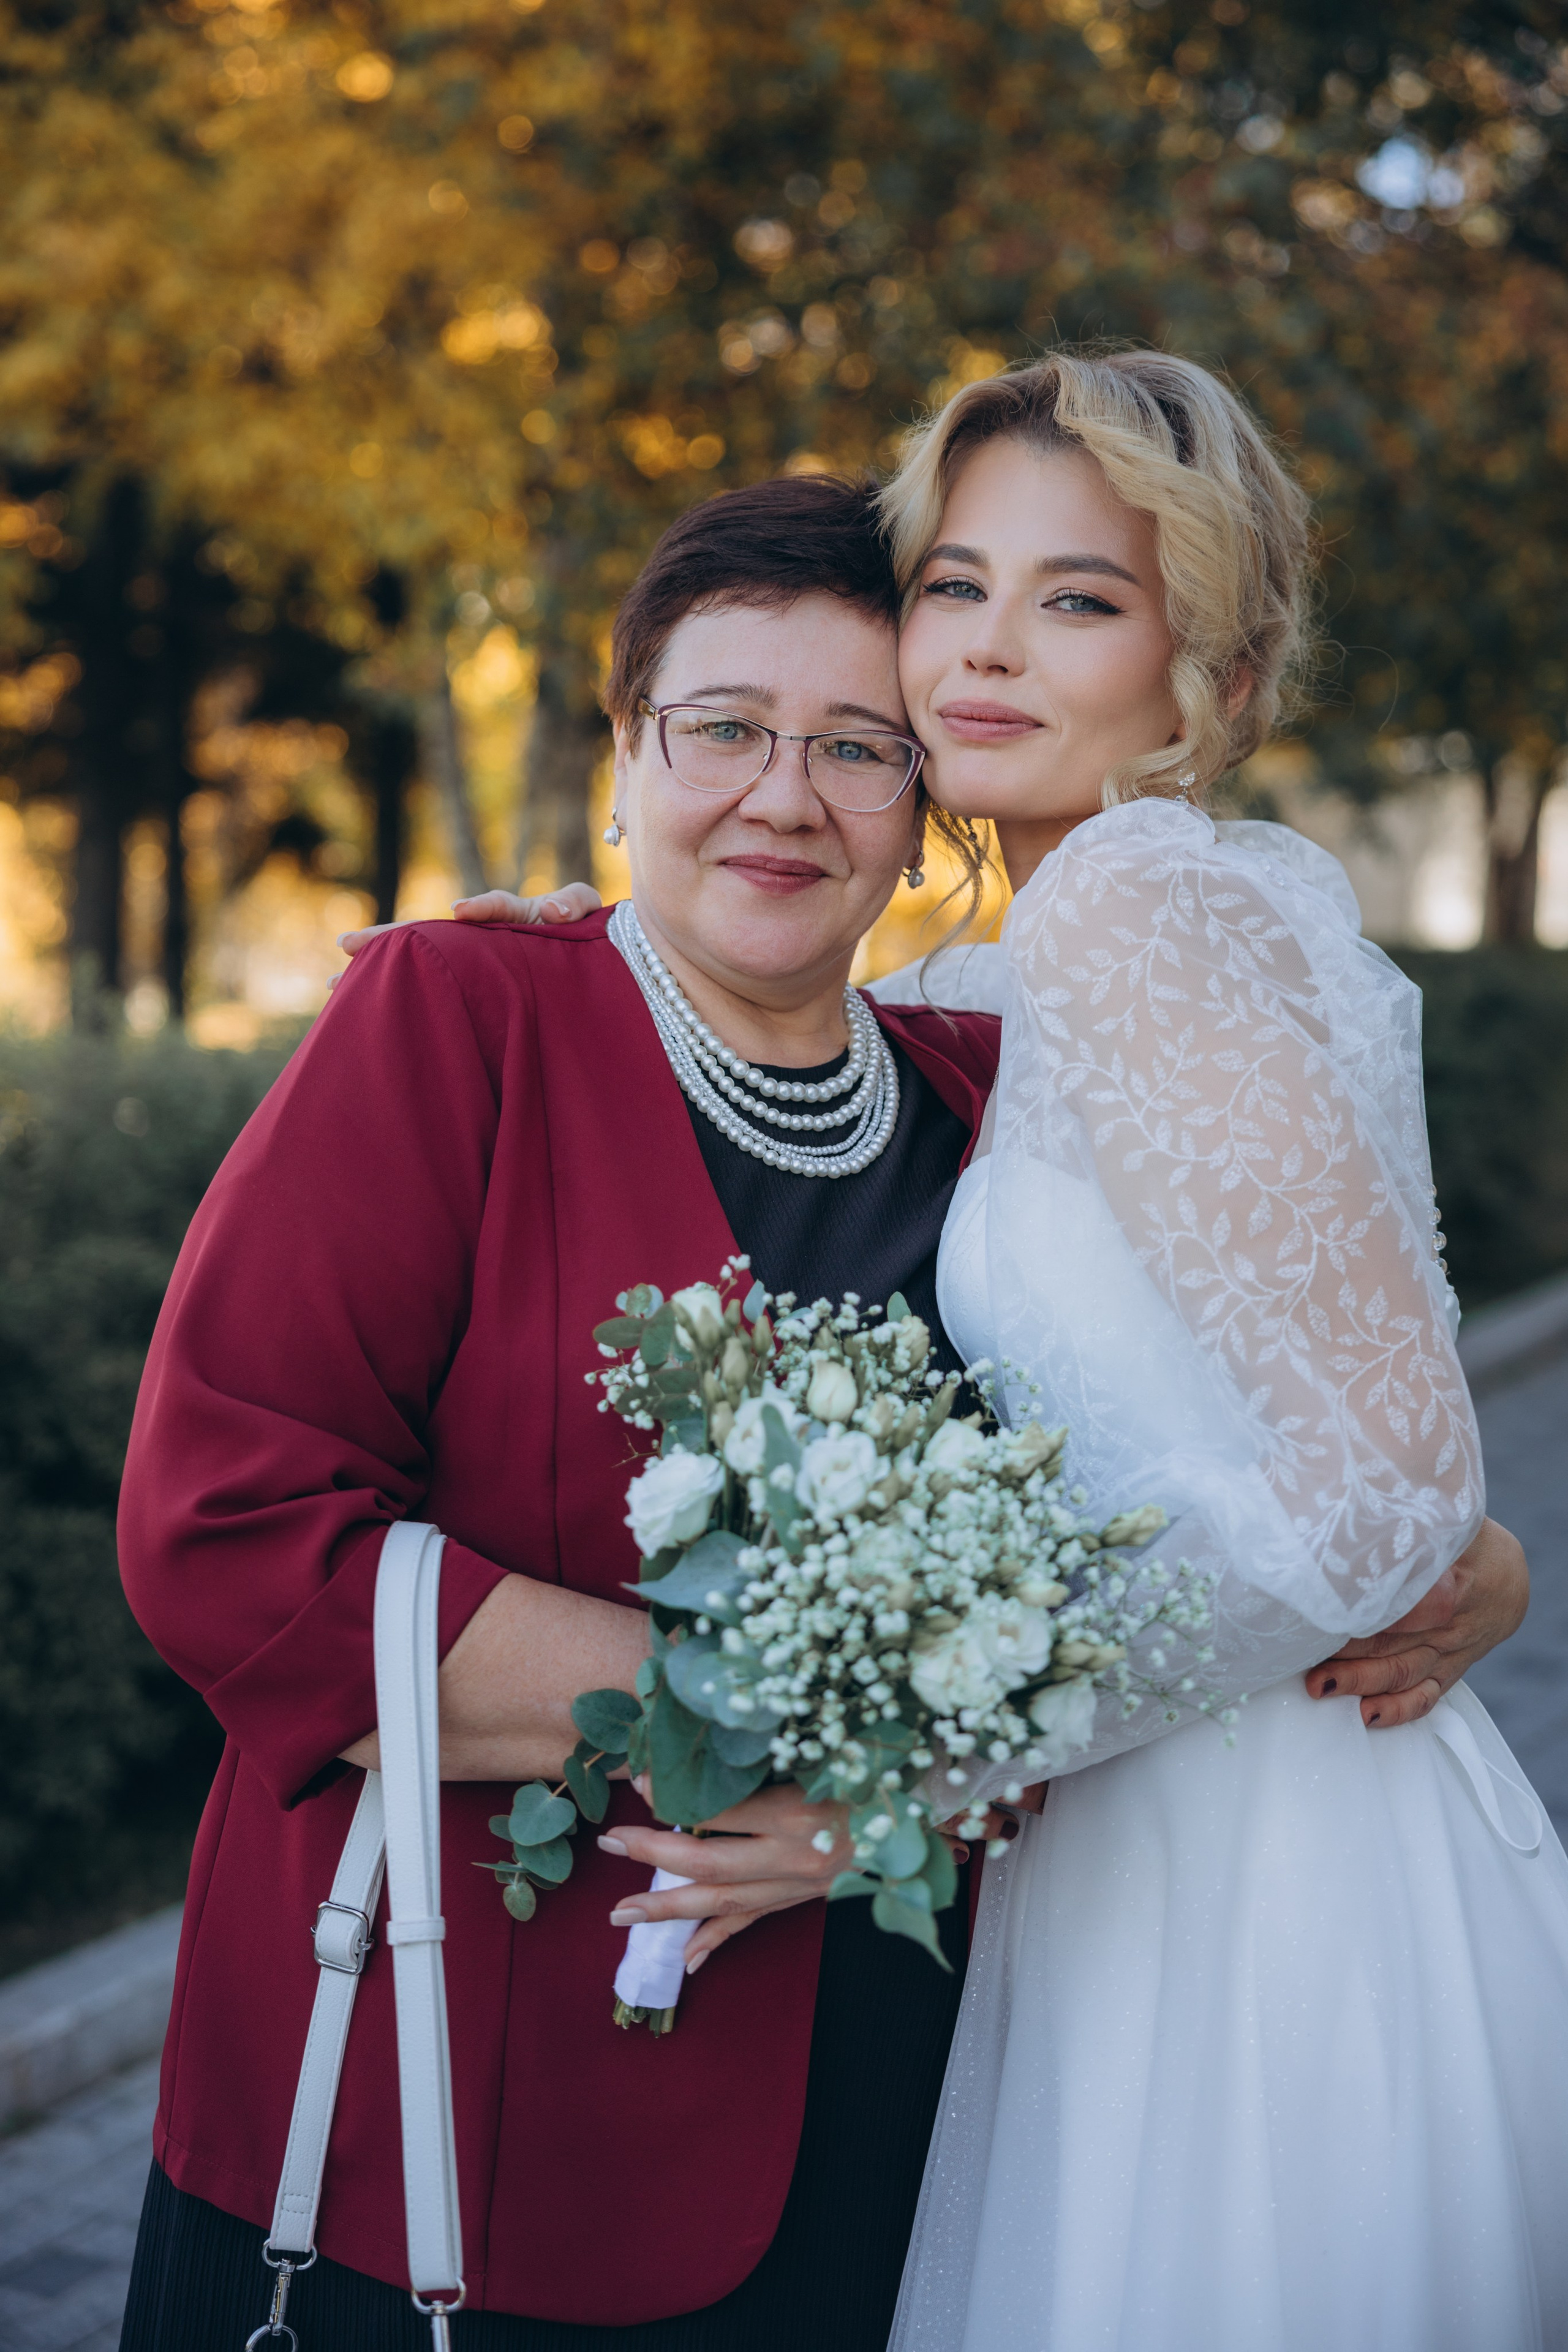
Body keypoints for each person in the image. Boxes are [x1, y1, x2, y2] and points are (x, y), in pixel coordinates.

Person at [154, 463, 1526, 2352]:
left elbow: (1256, 1413)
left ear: (923, 793)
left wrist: (1472, 1558)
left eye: (857, 745)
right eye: (721, 726)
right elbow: (234, 1535)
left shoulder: (997, 1084)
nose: (782, 794)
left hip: (907, 2139)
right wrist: (783, 1728)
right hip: (464, 2139)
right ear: (627, 747)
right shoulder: (462, 1016)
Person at [867, 349, 1568, 2350]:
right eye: (953, 584)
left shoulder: (1142, 909)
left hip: (1254, 1865)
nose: (986, 651)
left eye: (1079, 600)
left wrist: (940, 1758)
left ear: (1214, 682)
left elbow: (1389, 1487)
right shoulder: (1090, 927)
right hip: (1171, 1822)